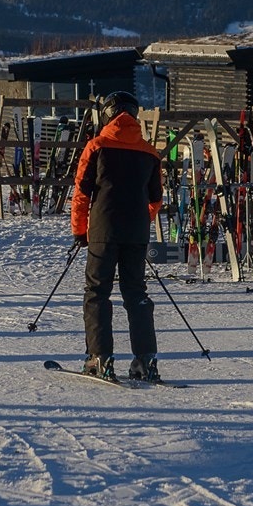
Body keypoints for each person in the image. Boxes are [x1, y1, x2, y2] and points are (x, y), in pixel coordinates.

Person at [70, 91, 165, 383]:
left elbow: (82, 193)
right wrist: (139, 222)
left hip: (102, 230)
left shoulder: (96, 146)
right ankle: (145, 360)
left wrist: (80, 230)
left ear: (108, 114)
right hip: (136, 233)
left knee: (97, 292)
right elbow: (156, 200)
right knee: (136, 293)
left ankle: (100, 357)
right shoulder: (150, 152)